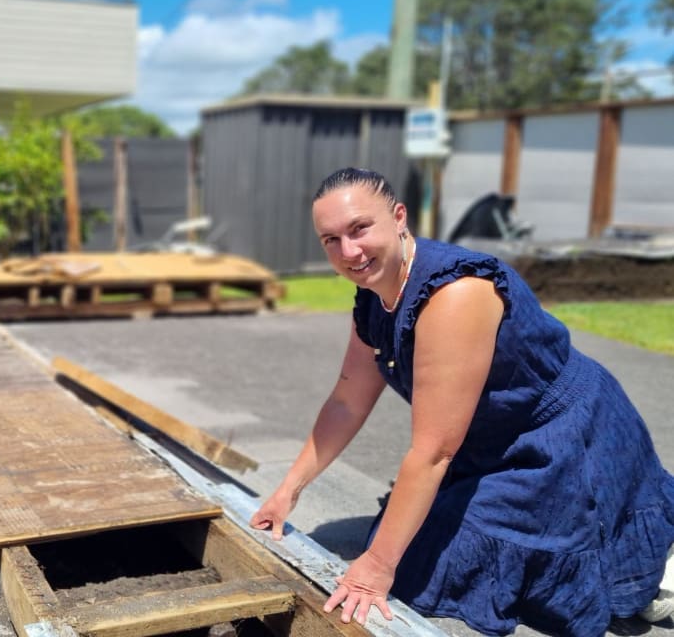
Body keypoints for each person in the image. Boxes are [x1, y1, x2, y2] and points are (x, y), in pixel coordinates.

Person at [250, 167, 674, 635]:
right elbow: (346, 402)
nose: (349, 251)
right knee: (412, 548)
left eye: (359, 229)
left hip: (564, 439)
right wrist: (289, 491)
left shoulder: (455, 293)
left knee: (423, 562)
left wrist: (375, 568)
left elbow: (434, 451)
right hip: (492, 441)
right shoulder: (373, 298)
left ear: (398, 217)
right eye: (331, 239)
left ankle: (654, 574)